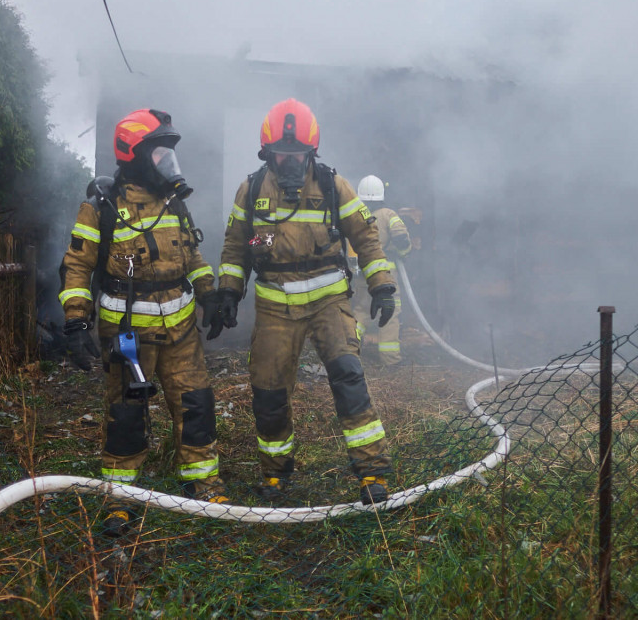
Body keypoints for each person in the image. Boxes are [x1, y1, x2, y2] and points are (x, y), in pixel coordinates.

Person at [214, 98, 397, 504]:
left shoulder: (334, 185)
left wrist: (382, 284)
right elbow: (235, 246)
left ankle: (372, 473)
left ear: (311, 151)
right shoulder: (252, 189)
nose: (291, 162)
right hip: (274, 306)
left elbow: (366, 236)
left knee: (348, 379)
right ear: (268, 153)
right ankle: (276, 474)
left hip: (329, 300)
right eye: (283, 154)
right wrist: (228, 289)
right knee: (268, 392)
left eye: (298, 154)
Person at [58, 108, 228, 535]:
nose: (168, 163)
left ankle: (204, 483)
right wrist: (77, 321)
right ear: (134, 156)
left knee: (196, 403)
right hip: (128, 334)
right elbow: (77, 267)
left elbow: (192, 256)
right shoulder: (102, 209)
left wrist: (209, 293)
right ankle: (120, 498)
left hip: (182, 330)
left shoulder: (173, 204)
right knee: (127, 414)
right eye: (159, 153)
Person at [352, 175, 412, 366]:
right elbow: (402, 238)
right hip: (386, 274)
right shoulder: (388, 214)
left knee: (362, 311)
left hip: (363, 272)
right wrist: (403, 253)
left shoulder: (355, 215)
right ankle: (390, 360)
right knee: (390, 312)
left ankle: (346, 351)